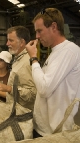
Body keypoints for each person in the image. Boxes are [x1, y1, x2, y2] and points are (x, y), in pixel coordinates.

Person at [25, 8, 80, 138]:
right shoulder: (55, 52)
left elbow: (44, 88)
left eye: (39, 31)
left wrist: (33, 58)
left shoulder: (69, 51)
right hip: (45, 128)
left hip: (56, 132)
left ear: (54, 27)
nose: (37, 36)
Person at [0, 26, 37, 110]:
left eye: (11, 40)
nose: (7, 44)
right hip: (15, 111)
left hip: (24, 115)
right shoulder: (18, 60)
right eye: (8, 40)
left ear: (21, 42)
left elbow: (33, 94)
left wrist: (8, 88)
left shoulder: (26, 62)